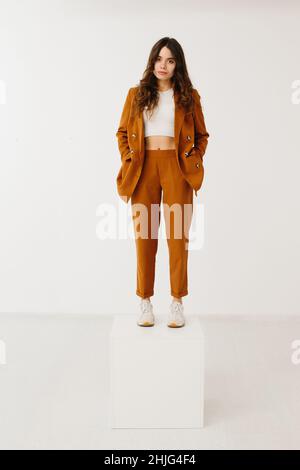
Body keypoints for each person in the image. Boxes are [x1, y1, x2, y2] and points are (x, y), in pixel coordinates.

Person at [115, 37, 209, 328]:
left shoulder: (188, 97)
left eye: (170, 60)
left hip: (176, 168)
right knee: (145, 237)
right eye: (159, 59)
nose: (163, 65)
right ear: (151, 61)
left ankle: (177, 303)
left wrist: (194, 158)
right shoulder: (137, 95)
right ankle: (145, 302)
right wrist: (129, 157)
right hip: (144, 169)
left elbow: (202, 136)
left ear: (177, 64)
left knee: (177, 237)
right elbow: (121, 132)